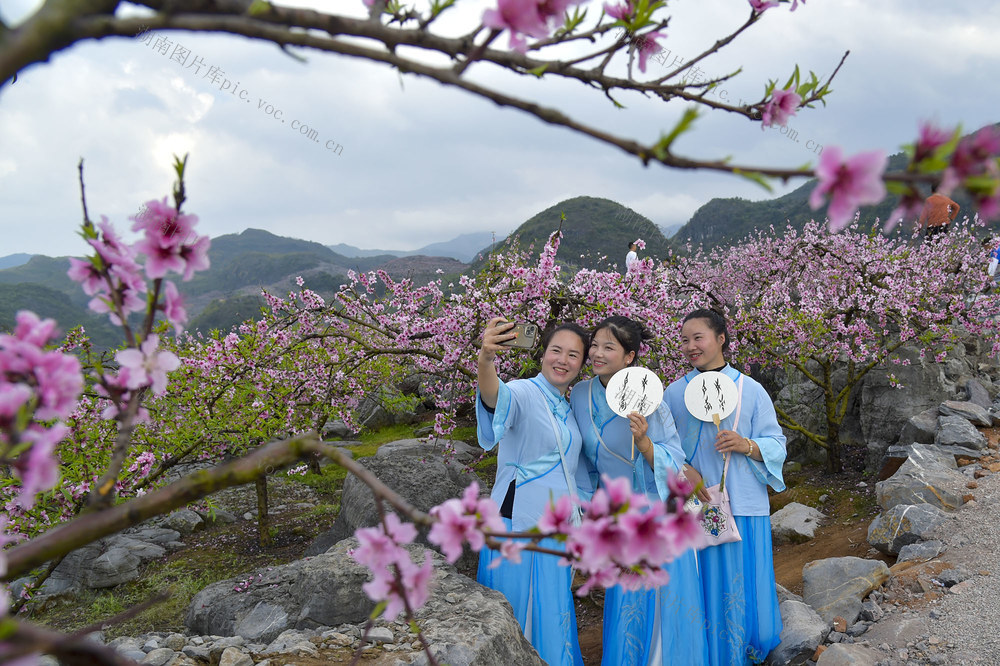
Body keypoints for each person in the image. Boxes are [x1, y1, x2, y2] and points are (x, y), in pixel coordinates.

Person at [570, 316, 709, 666]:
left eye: (609, 347)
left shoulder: (651, 397)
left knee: (667, 597)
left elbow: (675, 458)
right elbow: (582, 463)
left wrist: (646, 443)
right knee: (626, 599)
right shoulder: (581, 394)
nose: (597, 354)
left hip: (656, 509)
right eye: (595, 345)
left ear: (629, 356)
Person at [664, 308, 787, 665]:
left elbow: (776, 443)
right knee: (702, 584)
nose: (690, 346)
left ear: (720, 339)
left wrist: (747, 445)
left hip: (745, 503)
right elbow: (664, 449)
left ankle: (744, 652)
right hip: (698, 506)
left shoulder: (751, 389)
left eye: (697, 337)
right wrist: (686, 470)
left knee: (742, 583)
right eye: (684, 339)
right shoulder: (675, 393)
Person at [475, 317, 588, 666]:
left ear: (582, 365)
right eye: (556, 350)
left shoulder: (567, 408)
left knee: (552, 611)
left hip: (555, 528)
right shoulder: (525, 391)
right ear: (542, 356)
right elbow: (497, 398)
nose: (563, 360)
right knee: (513, 613)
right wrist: (486, 359)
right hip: (517, 523)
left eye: (573, 355)